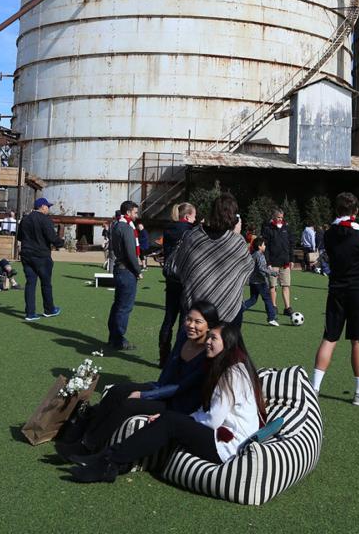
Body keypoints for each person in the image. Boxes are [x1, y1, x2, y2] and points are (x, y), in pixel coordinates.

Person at [68, 322, 266, 483]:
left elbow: (213, 420)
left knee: (170, 422)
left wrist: (179, 420)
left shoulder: (231, 373)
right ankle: (107, 461)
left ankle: (108, 462)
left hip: (227, 444)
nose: (208, 341)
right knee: (168, 420)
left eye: (214, 338)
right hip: (226, 436)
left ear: (228, 343)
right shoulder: (230, 366)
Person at [59, 301, 221, 462]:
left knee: (128, 405)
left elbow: (182, 386)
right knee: (117, 391)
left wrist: (144, 395)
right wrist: (151, 390)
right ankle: (83, 438)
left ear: (209, 326)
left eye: (198, 322)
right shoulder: (183, 336)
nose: (191, 325)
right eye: (188, 319)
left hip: (178, 402)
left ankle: (89, 448)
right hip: (162, 388)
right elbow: (168, 371)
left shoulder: (208, 353)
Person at [312, 192, 359, 406]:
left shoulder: (329, 234)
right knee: (358, 339)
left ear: (336, 210)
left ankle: (313, 390)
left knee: (329, 337)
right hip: (358, 290)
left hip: (336, 289)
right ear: (356, 211)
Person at [172, 193, 254, 329]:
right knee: (225, 348)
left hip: (195, 306)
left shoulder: (193, 236)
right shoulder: (236, 242)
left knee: (188, 347)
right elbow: (249, 267)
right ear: (233, 215)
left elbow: (178, 265)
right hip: (225, 310)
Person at [158, 202, 198, 366]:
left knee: (168, 319)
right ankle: (179, 356)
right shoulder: (191, 232)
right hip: (186, 279)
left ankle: (163, 356)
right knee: (185, 320)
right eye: (194, 216)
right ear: (188, 216)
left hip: (171, 278)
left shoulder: (168, 230)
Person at [17, 197, 64, 322]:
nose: (48, 208)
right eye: (47, 206)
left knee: (30, 283)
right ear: (42, 206)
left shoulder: (25, 219)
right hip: (41, 255)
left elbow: (20, 237)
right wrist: (60, 243)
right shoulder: (45, 219)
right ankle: (49, 309)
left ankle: (30, 313)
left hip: (26, 254)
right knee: (46, 283)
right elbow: (51, 237)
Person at [107, 201, 142, 351]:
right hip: (126, 270)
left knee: (118, 305)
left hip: (119, 268)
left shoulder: (115, 225)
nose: (136, 215)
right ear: (128, 213)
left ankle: (113, 336)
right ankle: (118, 339)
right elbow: (131, 253)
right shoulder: (126, 228)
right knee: (124, 307)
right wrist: (138, 270)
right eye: (135, 212)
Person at [262, 208, 294, 315]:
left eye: (281, 217)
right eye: (278, 217)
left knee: (286, 286)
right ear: (274, 217)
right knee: (273, 286)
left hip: (285, 263)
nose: (280, 219)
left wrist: (291, 260)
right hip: (273, 263)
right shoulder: (268, 229)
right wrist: (268, 262)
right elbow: (265, 247)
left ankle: (287, 308)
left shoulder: (287, 228)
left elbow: (291, 245)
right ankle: (274, 307)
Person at [242, 237, 279, 326]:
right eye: (264, 245)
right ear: (259, 246)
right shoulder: (260, 255)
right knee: (268, 299)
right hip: (260, 281)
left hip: (253, 281)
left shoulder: (254, 254)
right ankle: (271, 318)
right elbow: (262, 268)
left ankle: (237, 311)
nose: (265, 246)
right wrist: (273, 273)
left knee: (253, 300)